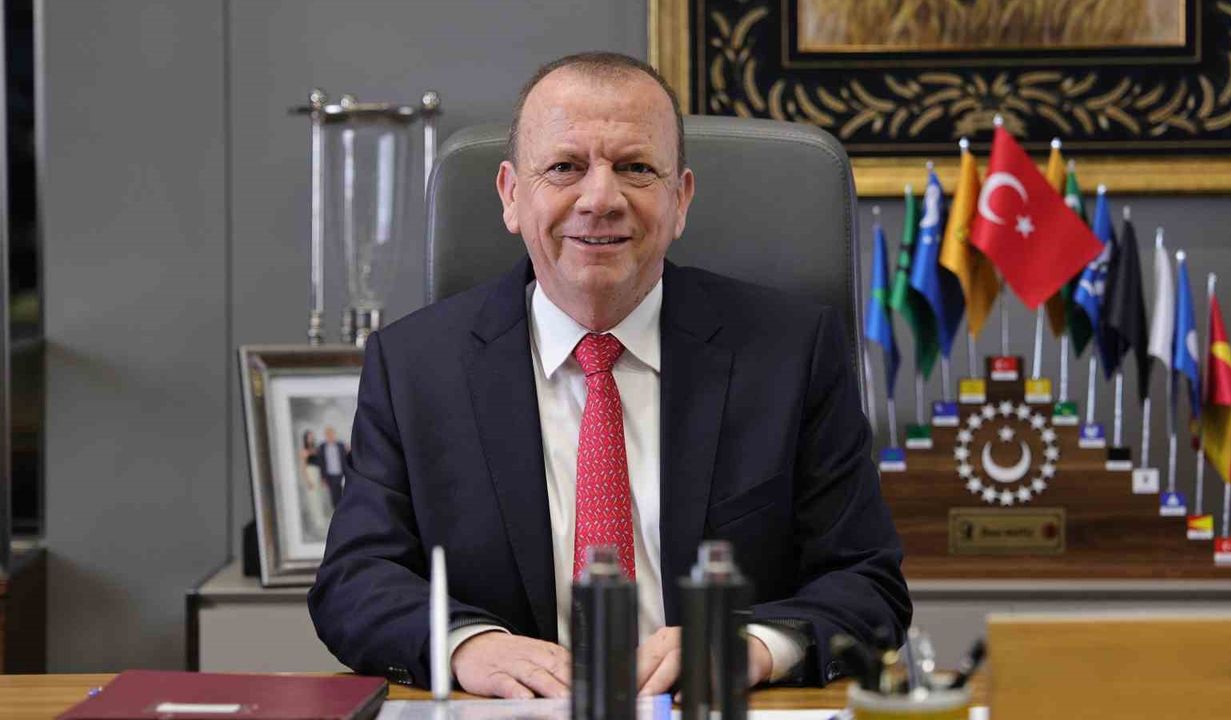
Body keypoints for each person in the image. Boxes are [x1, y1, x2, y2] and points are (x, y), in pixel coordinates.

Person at [309, 51, 910, 699]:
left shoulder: (791, 353)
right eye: (565, 167)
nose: (600, 199)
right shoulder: (413, 366)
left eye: (635, 168)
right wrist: (466, 644)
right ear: (511, 195)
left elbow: (866, 581)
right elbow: (355, 580)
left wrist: (755, 646)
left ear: (680, 200)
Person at [309, 425, 348, 508]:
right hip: (330, 475)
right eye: (328, 434)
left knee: (344, 494)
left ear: (334, 434)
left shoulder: (341, 445)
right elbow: (321, 463)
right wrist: (323, 478)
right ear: (325, 436)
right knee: (334, 496)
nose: (330, 436)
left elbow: (346, 459)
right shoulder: (322, 447)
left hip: (342, 474)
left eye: (331, 434)